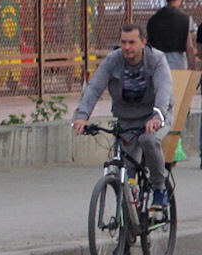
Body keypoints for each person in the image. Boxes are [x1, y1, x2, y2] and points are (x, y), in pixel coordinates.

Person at [72, 24, 173, 210]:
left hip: (155, 116)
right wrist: (82, 116)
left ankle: (159, 188)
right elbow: (94, 88)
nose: (127, 47)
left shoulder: (157, 60)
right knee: (127, 171)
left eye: (132, 42)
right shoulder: (113, 60)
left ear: (143, 42)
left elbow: (164, 90)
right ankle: (128, 223)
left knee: (148, 140)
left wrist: (157, 115)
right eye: (123, 42)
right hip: (127, 119)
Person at [146, 0, 193, 70]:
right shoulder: (185, 19)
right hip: (178, 62)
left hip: (157, 61)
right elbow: (189, 47)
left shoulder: (153, 19)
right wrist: (193, 67)